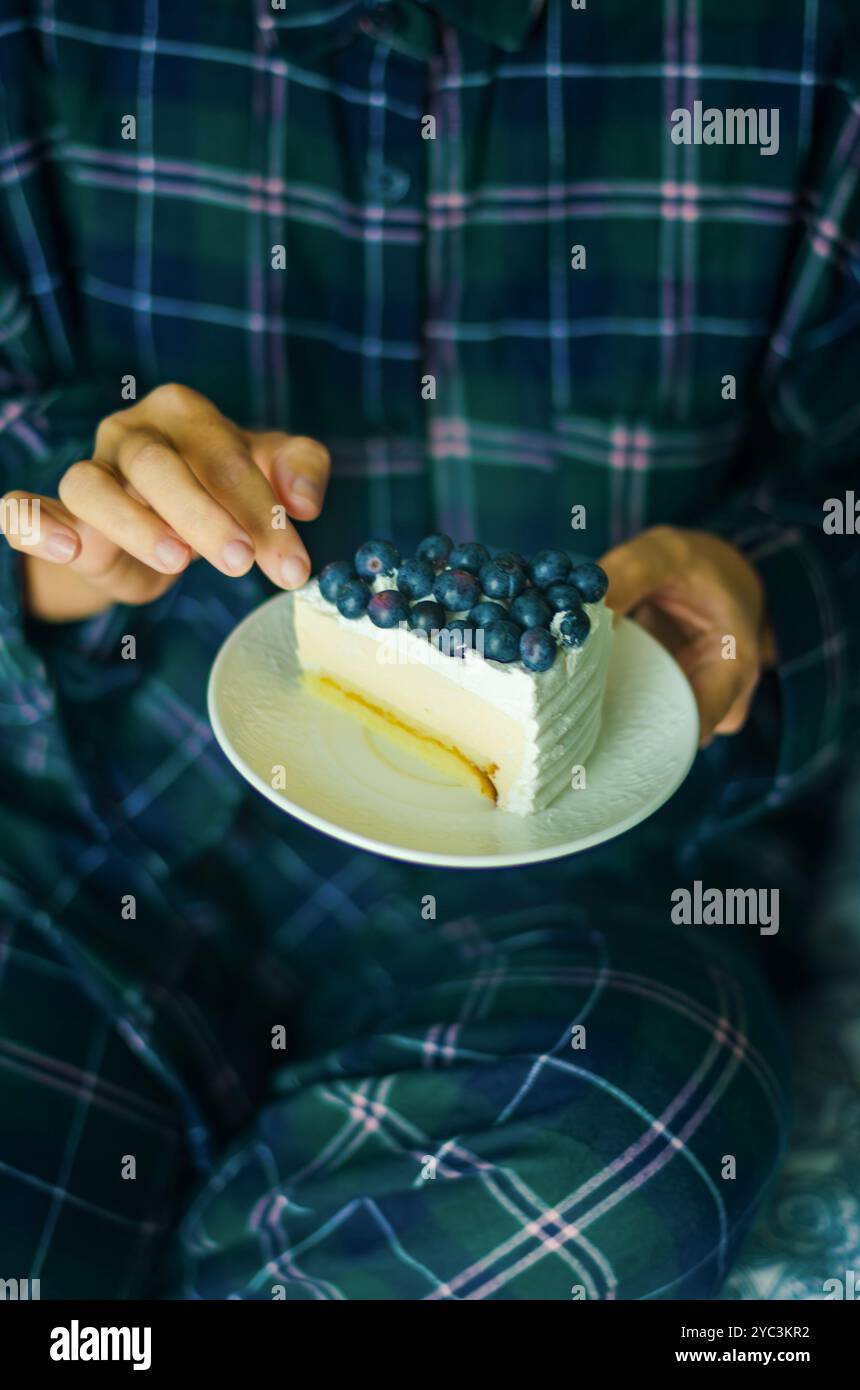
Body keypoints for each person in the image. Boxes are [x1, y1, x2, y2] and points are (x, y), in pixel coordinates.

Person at [0, 0, 856, 1300]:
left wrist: (771, 583)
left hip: (577, 914)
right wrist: (53, 551)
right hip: (98, 878)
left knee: (653, 1132)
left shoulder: (798, 43)